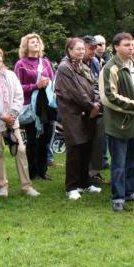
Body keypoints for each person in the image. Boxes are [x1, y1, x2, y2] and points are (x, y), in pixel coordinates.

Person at [99, 33, 134, 213]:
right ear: (116, 47)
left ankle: (131, 192)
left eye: (132, 45)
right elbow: (108, 96)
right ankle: (118, 197)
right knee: (119, 162)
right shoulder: (110, 68)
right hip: (120, 123)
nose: (131, 48)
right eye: (126, 45)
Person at [0, 46, 39, 198]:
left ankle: (26, 186)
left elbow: (19, 95)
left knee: (21, 151)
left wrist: (12, 115)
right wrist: (1, 115)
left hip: (12, 121)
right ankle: (2, 185)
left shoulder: (11, 75)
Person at [55, 38, 102, 200]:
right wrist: (92, 106)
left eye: (83, 49)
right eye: (78, 49)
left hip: (89, 113)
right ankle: (72, 186)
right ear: (69, 50)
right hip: (73, 114)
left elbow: (94, 86)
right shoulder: (64, 67)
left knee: (87, 148)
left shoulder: (84, 65)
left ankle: (85, 182)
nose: (82, 51)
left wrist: (97, 102)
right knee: (75, 149)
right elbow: (74, 92)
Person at [14, 33, 57, 181]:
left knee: (46, 139)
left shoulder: (45, 62)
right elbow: (18, 87)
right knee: (32, 140)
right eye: (33, 42)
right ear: (26, 45)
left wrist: (48, 84)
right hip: (31, 106)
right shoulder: (20, 64)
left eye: (38, 41)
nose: (36, 43)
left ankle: (43, 170)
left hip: (46, 105)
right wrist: (36, 85)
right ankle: (32, 172)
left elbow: (53, 81)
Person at [82, 35, 107, 186]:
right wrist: (92, 105)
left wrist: (98, 103)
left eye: (94, 48)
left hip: (97, 107)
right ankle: (83, 175)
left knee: (98, 142)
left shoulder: (95, 62)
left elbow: (99, 83)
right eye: (90, 48)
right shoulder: (72, 64)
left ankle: (94, 173)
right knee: (83, 143)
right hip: (83, 109)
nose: (93, 51)